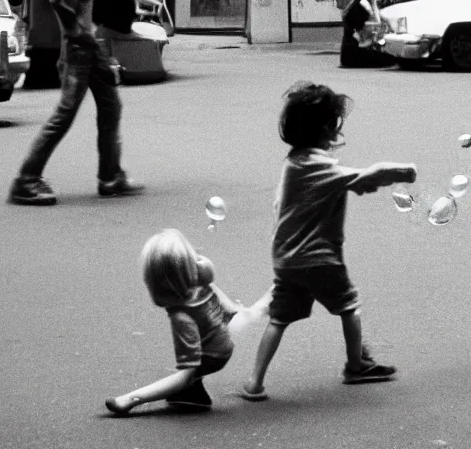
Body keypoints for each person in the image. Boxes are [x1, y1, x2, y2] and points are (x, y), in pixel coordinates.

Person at [239, 82, 418, 401]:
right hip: (319, 259)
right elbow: (363, 178)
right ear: (326, 129)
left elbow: (290, 202)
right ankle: (356, 366)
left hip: (286, 258)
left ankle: (255, 382)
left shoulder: (293, 162)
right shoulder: (319, 166)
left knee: (279, 319)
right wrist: (404, 172)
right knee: (349, 307)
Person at [9, 0, 144, 206]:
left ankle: (110, 175)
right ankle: (26, 180)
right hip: (78, 48)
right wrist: (75, 33)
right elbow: (57, 0)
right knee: (65, 113)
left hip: (91, 45)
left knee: (111, 106)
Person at [105, 229, 243, 416]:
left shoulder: (181, 316)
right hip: (222, 346)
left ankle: (131, 399)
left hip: (213, 354)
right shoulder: (202, 287)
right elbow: (227, 309)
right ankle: (193, 396)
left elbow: (190, 360)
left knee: (186, 376)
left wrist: (186, 375)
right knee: (190, 379)